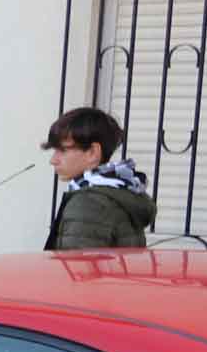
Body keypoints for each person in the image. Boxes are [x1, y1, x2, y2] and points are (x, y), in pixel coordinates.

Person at [42, 106, 157, 248]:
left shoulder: (87, 204)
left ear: (92, 152)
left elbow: (77, 268)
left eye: (62, 150)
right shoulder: (118, 192)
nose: (53, 160)